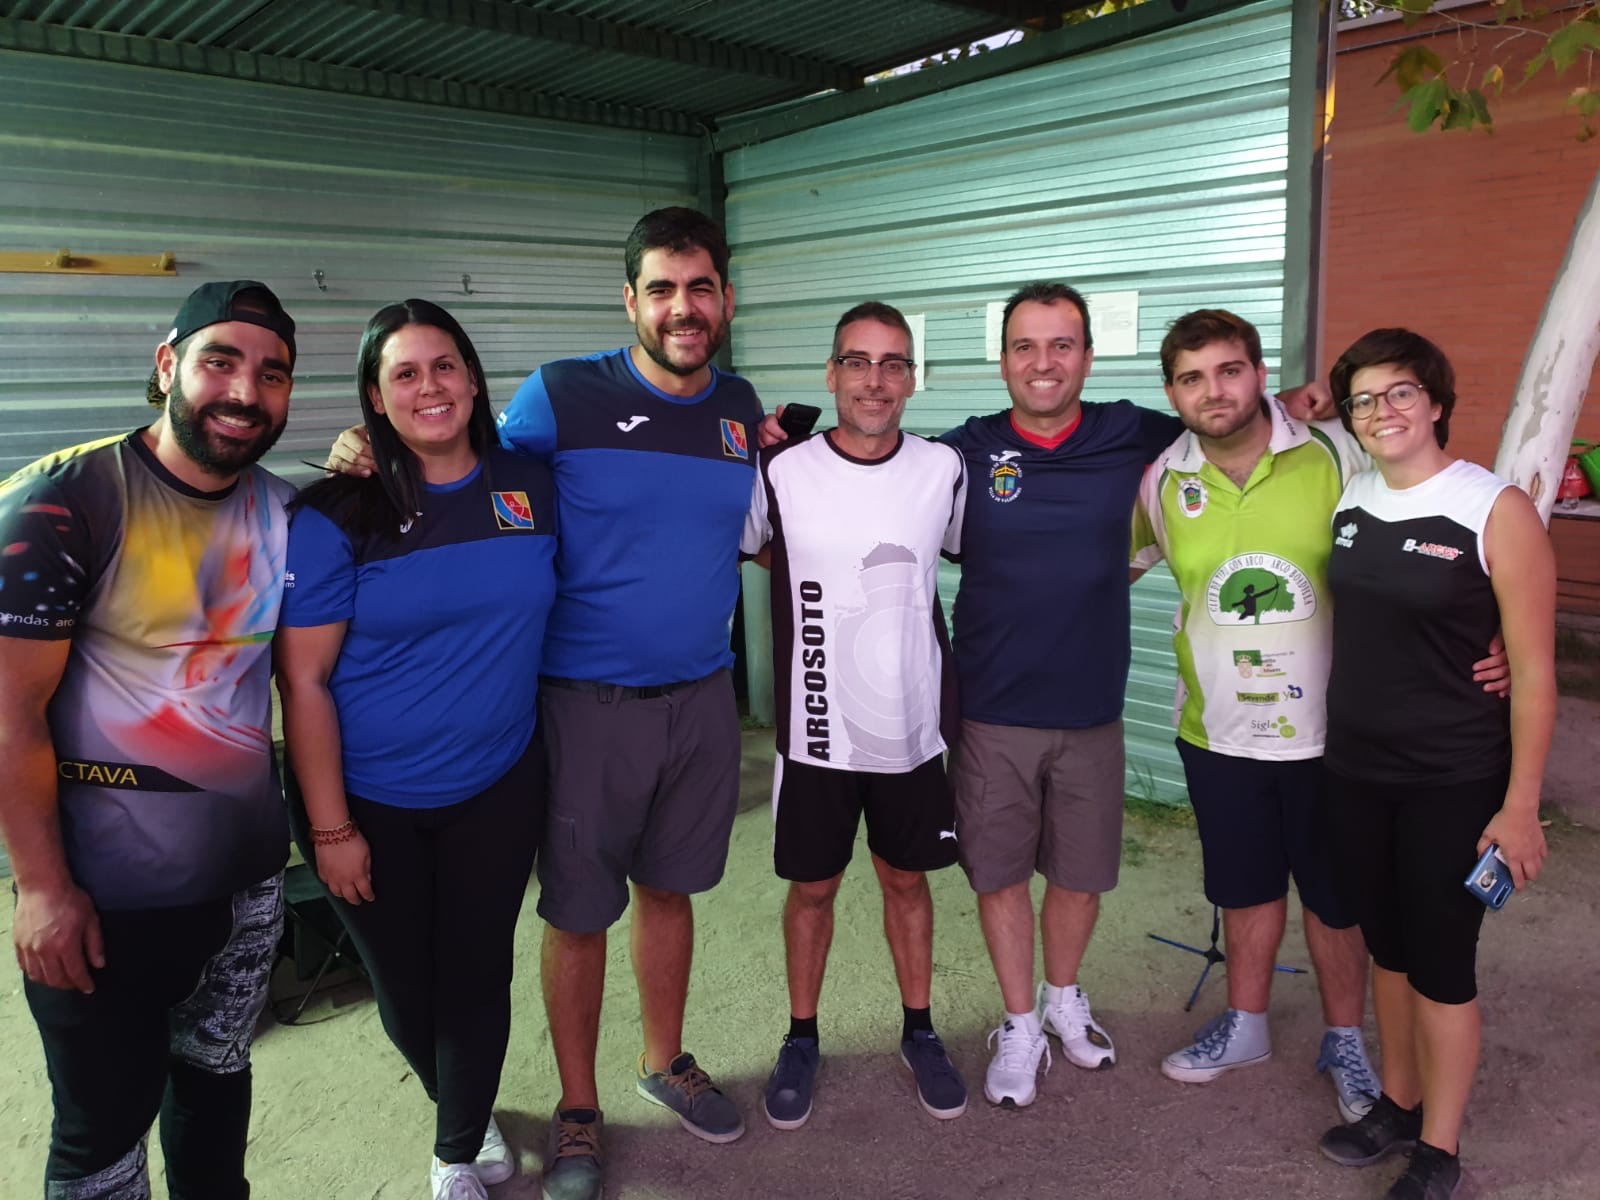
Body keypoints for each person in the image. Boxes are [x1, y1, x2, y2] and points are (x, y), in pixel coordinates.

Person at [325, 208, 761, 1200]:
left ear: (726, 300)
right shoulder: (562, 395)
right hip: (583, 704)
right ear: (630, 300)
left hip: (703, 697)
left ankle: (664, 1061)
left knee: (671, 890)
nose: (682, 308)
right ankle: (577, 1107)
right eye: (661, 288)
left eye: (699, 287)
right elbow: (460, 459)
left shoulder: (738, 406)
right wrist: (370, 444)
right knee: (578, 910)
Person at [0, 280, 297, 1199]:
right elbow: (8, 714)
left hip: (246, 883)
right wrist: (41, 889)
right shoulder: (63, 500)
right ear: (167, 364)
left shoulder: (285, 508)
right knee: (103, 1136)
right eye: (221, 361)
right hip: (104, 899)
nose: (245, 391)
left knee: (216, 1075)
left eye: (272, 373)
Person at [276, 300, 557, 1200]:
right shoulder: (337, 514)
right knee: (404, 988)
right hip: (367, 800)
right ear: (375, 397)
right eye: (404, 373)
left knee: (477, 973)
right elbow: (304, 682)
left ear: (472, 379)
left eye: (444, 366)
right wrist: (331, 831)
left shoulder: (531, 485)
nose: (429, 386)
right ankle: (463, 1110)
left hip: (498, 781)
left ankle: (454, 1149)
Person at [1316, 329, 1554, 1200]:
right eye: (1364, 399)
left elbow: (1533, 674)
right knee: (1387, 949)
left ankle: (1440, 1149)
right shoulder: (1352, 498)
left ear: (1437, 402)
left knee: (1443, 965)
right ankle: (1398, 1103)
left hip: (1452, 779)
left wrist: (1520, 806)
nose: (1382, 411)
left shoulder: (1493, 509)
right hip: (1356, 770)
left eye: (1401, 392)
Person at [1130, 309, 1383, 1118]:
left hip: (1333, 732)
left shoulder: (1337, 452)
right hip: (1219, 732)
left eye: (1229, 370)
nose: (1214, 391)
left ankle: (1346, 1039)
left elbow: (1423, 536)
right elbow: (1109, 569)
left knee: (1336, 898)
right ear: (1172, 393)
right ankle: (1246, 1026)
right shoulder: (1162, 480)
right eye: (1192, 378)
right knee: (1244, 888)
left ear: (1260, 373)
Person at [743, 302, 969, 1131]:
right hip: (815, 732)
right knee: (813, 888)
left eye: (893, 363)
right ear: (832, 374)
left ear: (912, 379)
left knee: (906, 880)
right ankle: (801, 1036)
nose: (876, 380)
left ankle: (921, 1030)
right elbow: (755, 545)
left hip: (910, 732)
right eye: (858, 362)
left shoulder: (943, 468)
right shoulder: (780, 470)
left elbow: (965, 548)